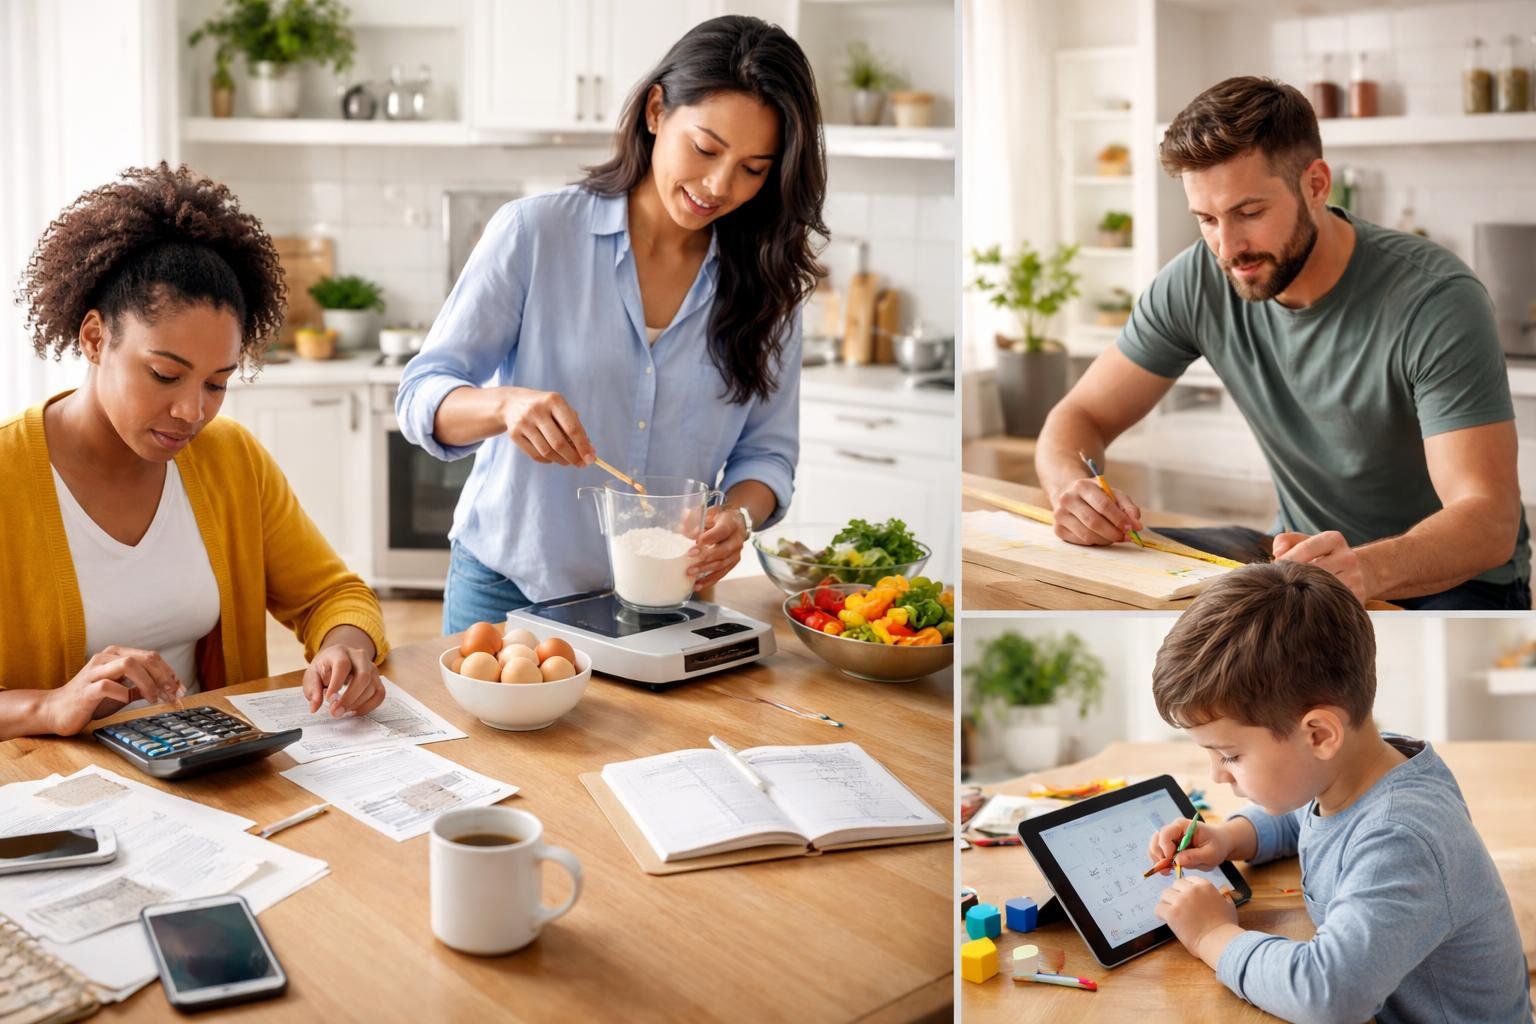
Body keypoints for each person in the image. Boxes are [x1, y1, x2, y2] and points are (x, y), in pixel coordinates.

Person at [395, 15, 826, 631]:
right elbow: (420, 395)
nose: (717, 185)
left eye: (753, 169)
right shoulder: (536, 234)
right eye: (705, 148)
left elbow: (768, 455)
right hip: (507, 593)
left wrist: (738, 517)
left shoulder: (769, 287)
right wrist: (504, 406)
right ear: (656, 110)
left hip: (668, 602)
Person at [1036, 76, 1527, 609]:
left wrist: (1362, 569)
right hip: (1296, 565)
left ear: (1316, 185)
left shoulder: (1435, 299)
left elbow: (1488, 519)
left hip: (1453, 585)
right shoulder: (1199, 278)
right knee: (1110, 588)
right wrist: (1072, 490)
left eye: (1249, 213)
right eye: (1206, 219)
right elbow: (1079, 415)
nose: (1228, 247)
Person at [0, 163, 389, 740]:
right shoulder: (9, 476)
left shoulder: (231, 460)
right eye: (164, 374)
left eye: (216, 383)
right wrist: (48, 707)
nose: (193, 413)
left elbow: (333, 595)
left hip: (211, 780)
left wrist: (346, 645)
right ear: (94, 338)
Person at [1146, 561, 1531, 1023]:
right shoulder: (1364, 768)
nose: (1218, 776)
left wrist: (1211, 935)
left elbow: (1328, 996)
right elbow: (1307, 815)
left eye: (1230, 755)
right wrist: (1231, 838)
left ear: (1319, 735)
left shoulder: (1400, 837)